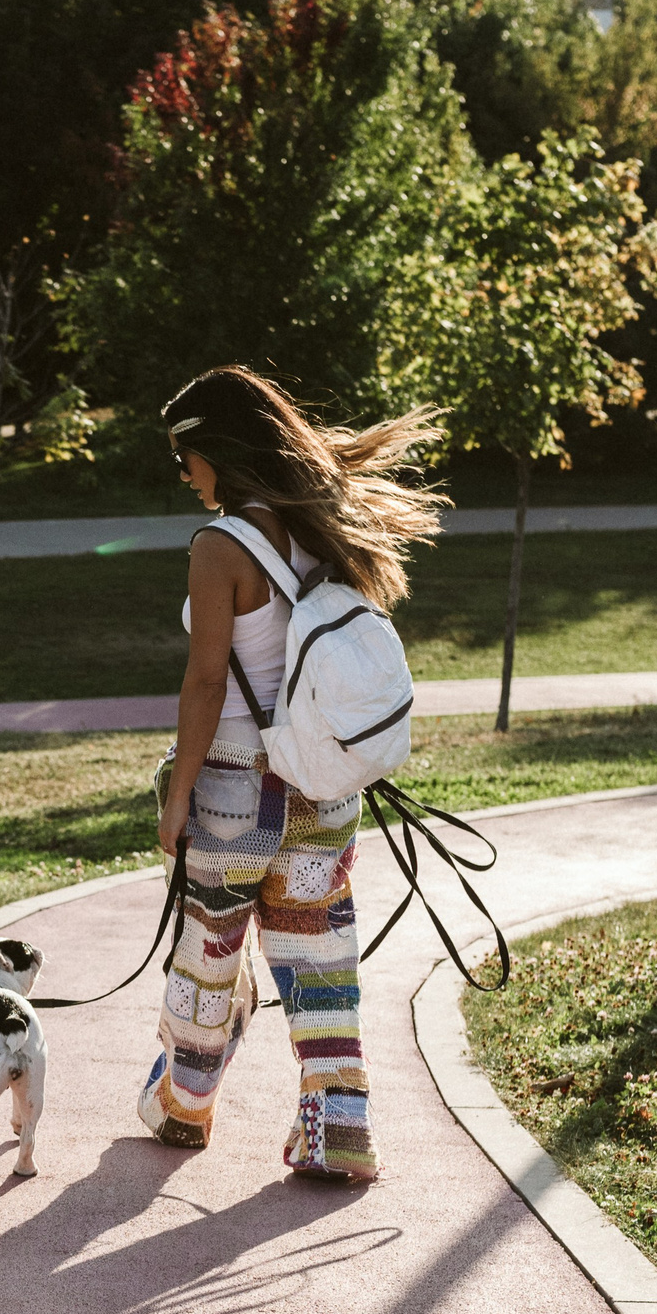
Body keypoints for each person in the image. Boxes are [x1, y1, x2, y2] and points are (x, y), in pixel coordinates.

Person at [140, 366, 445, 1180]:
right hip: (322, 786)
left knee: (211, 946)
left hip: (235, 784)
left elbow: (206, 680)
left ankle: (184, 1104)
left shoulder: (218, 546)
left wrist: (177, 799)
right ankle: (337, 1132)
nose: (183, 476)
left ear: (217, 450)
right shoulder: (323, 526)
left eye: (185, 457)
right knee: (320, 966)